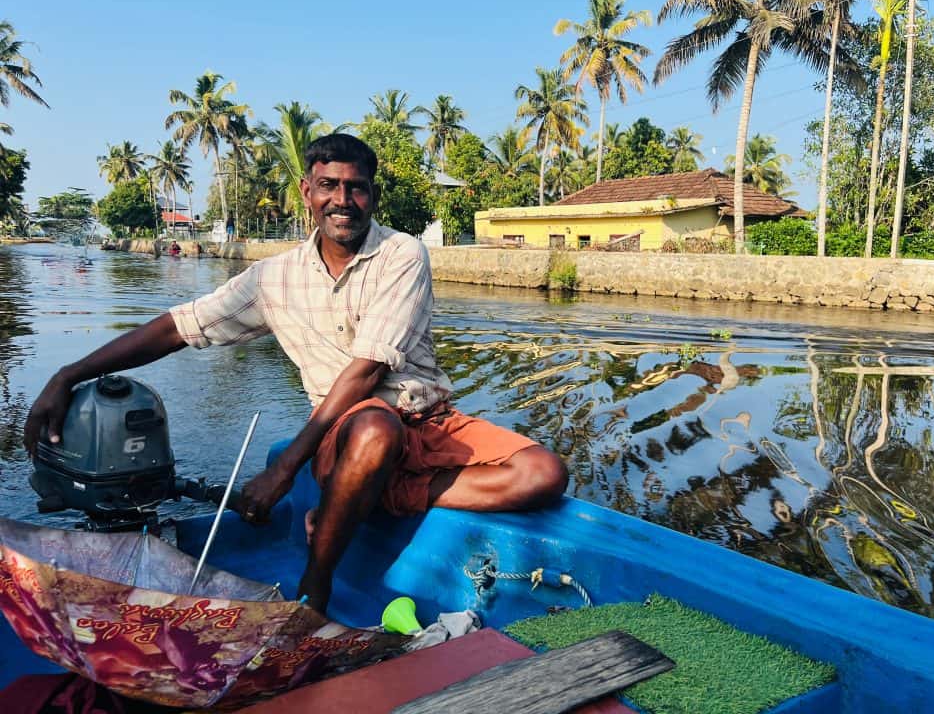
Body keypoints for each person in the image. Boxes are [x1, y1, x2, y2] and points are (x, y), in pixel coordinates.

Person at [23, 133, 567, 614]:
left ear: (372, 195)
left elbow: (368, 368)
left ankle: (377, 494)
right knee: (374, 428)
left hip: (427, 417)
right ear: (308, 193)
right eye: (329, 185)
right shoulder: (272, 278)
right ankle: (315, 589)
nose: (343, 200)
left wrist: (284, 470)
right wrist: (67, 374)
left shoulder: (402, 254)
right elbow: (176, 328)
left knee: (543, 474)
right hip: (352, 430)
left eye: (356, 187)